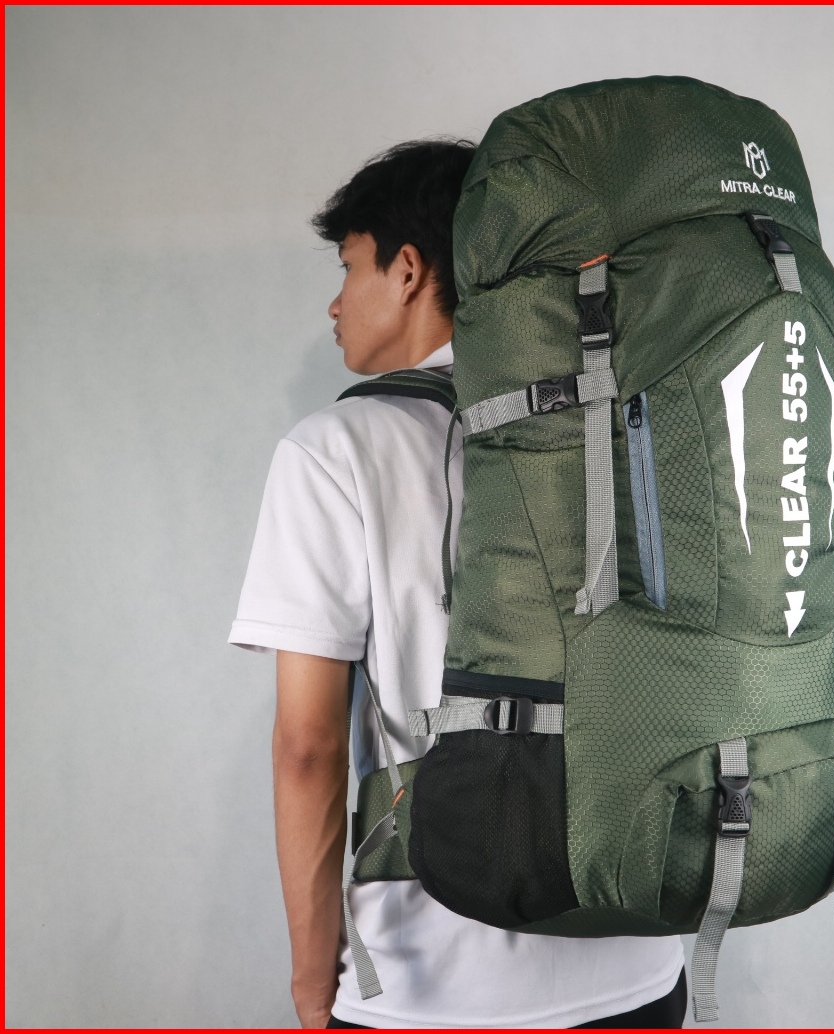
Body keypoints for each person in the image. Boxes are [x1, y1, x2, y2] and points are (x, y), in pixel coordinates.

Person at [229, 139, 687, 1029]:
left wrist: (310, 980)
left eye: (348, 266)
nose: (335, 302)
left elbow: (308, 747)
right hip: (636, 959)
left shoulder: (334, 450)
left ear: (407, 269)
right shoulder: (619, 424)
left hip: (433, 982)